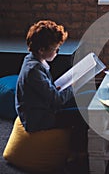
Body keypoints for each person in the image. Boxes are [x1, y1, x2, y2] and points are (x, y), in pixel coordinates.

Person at [16, 20, 89, 173]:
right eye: (55, 49)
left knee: (87, 96)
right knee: (82, 114)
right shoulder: (33, 70)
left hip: (43, 106)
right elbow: (57, 101)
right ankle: (76, 155)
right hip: (39, 117)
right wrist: (74, 85)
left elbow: (46, 90)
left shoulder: (33, 59)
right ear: (42, 49)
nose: (57, 52)